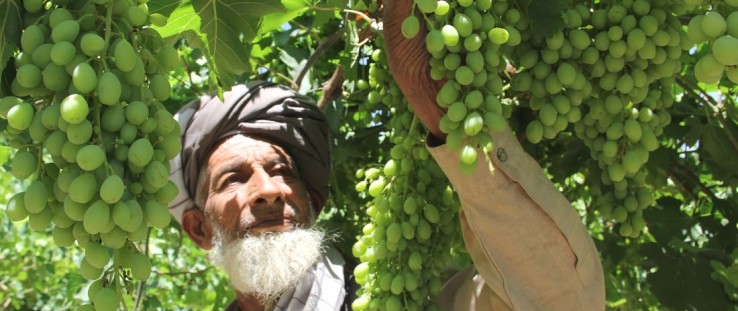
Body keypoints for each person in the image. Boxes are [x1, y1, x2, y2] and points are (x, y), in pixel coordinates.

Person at [167, 0, 606, 309]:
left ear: (313, 203)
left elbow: (564, 302)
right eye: (233, 179)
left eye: (282, 171)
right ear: (197, 227)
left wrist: (453, 131)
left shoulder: (409, 296)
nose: (268, 191)